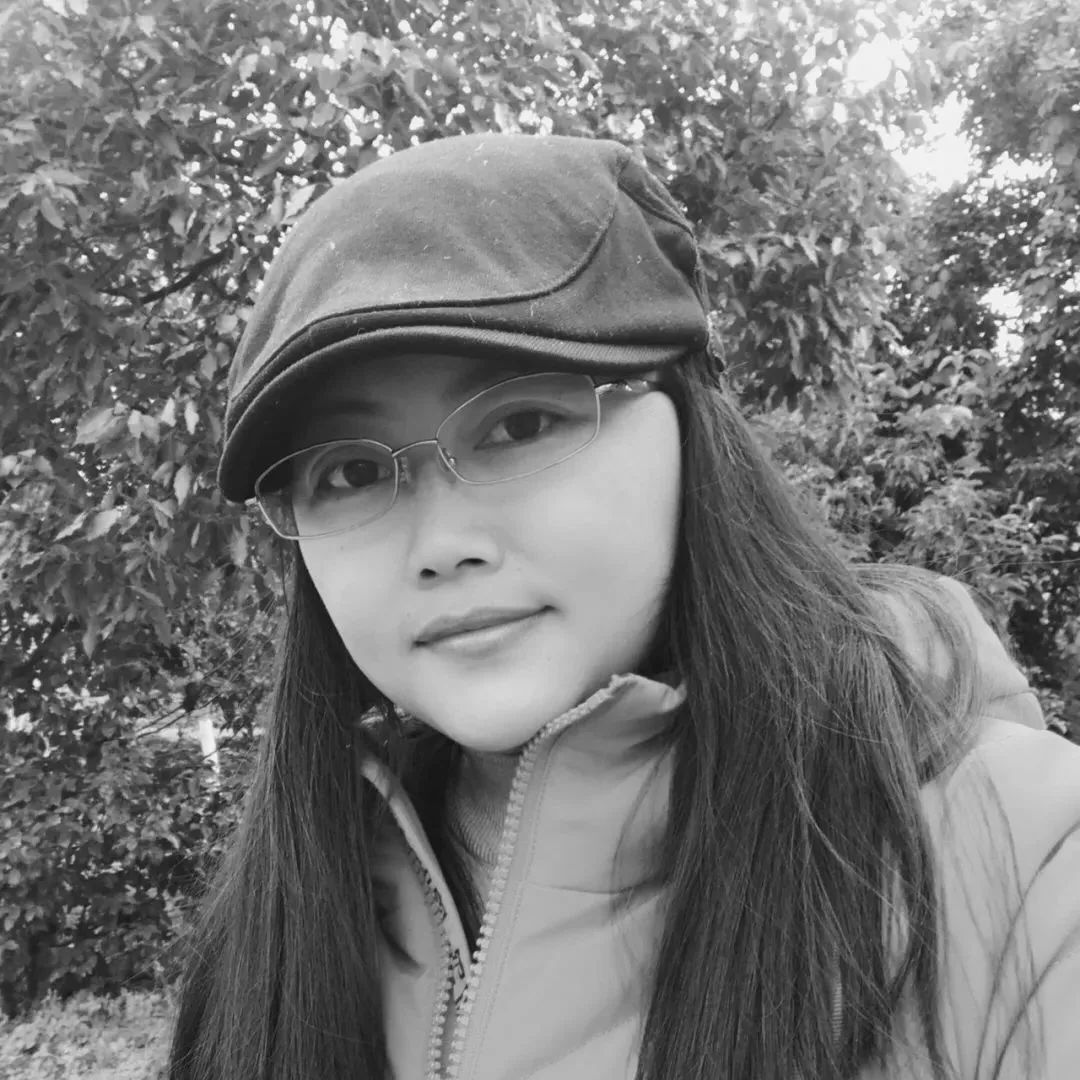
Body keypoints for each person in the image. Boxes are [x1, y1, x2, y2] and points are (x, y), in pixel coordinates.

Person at [168, 134, 1080, 1080]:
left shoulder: (1020, 859)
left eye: (521, 423)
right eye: (349, 473)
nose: (441, 544)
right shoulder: (278, 931)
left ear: (690, 429)